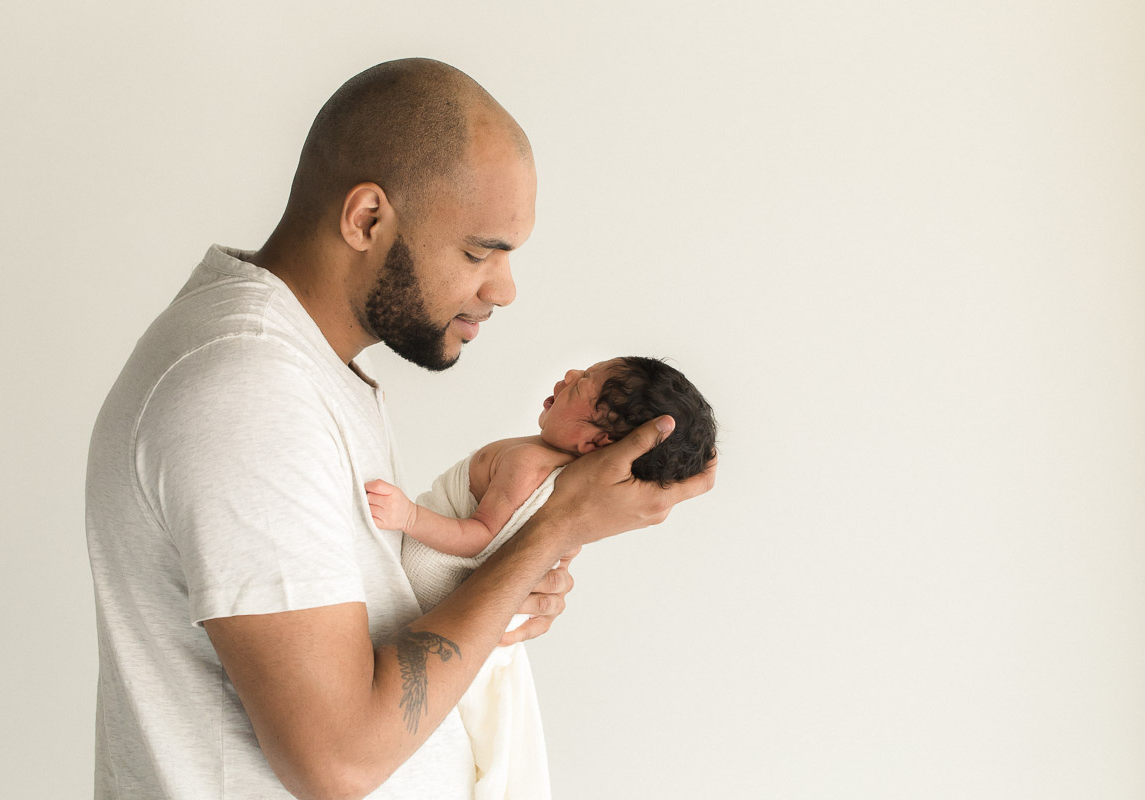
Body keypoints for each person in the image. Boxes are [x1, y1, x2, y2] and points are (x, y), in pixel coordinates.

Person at [85, 58, 715, 800]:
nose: (503, 288)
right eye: (480, 250)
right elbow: (339, 761)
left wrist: (492, 586)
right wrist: (555, 527)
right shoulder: (248, 392)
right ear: (367, 219)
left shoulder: (307, 367)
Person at [366, 356, 716, 798]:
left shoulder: (529, 463)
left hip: (435, 583)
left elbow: (479, 537)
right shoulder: (567, 481)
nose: (569, 375)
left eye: (580, 386)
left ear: (595, 441)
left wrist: (409, 515)